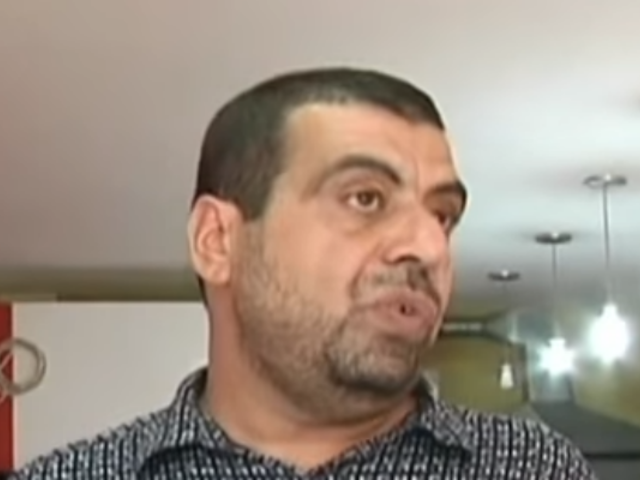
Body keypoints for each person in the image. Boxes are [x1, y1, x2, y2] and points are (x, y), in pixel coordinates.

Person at [12, 67, 598, 479]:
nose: (429, 248)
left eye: (442, 215)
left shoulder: (536, 470)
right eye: (365, 198)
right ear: (217, 241)